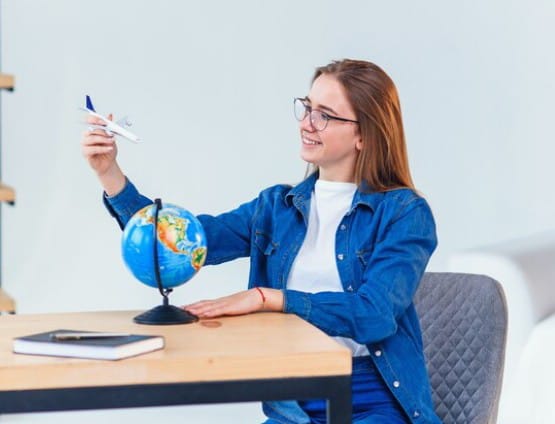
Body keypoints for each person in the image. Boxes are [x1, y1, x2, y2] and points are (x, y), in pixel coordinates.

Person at [81, 59, 440, 424]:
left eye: (325, 116)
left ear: (364, 134)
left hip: (372, 399)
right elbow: (179, 241)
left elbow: (374, 314)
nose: (306, 123)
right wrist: (109, 173)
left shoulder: (404, 213)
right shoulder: (275, 208)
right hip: (294, 405)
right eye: (307, 108)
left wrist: (269, 299)